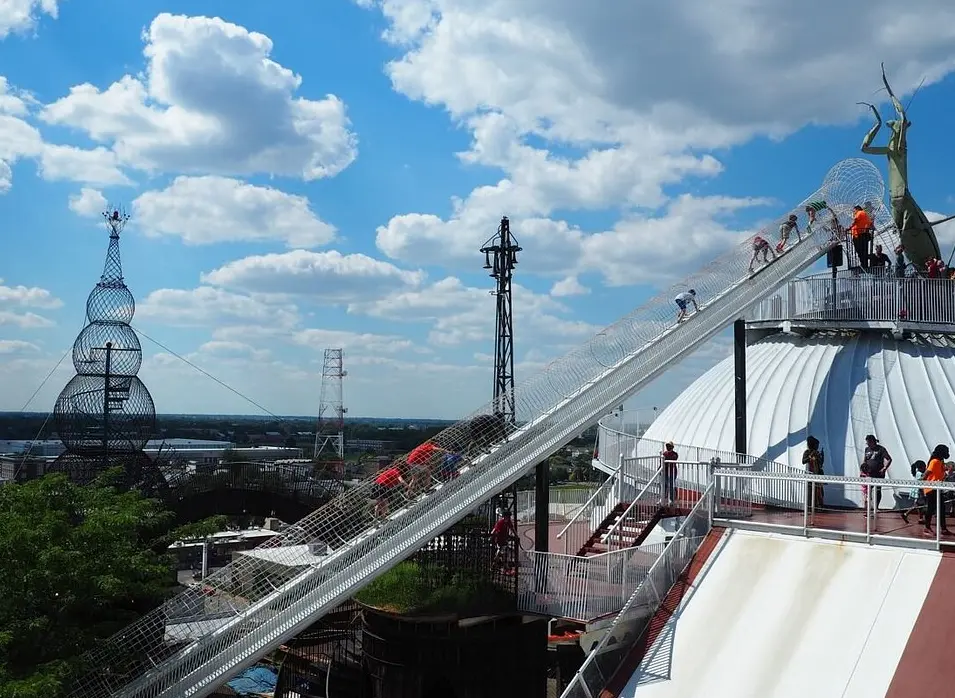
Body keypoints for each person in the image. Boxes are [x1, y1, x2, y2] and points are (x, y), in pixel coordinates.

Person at [922, 445, 952, 536]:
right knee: (931, 508)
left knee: (941, 508)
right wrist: (924, 484)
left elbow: (942, 476)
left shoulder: (941, 462)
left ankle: (943, 528)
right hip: (931, 489)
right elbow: (926, 475)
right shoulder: (934, 461)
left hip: (937, 488)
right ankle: (927, 528)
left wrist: (948, 472)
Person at [860, 434, 892, 512]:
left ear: (873, 441)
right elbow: (865, 460)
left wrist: (884, 468)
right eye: (867, 443)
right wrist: (862, 470)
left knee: (878, 490)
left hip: (878, 474)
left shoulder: (881, 449)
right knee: (868, 490)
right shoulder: (867, 449)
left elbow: (889, 459)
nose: (868, 444)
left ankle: (876, 507)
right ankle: (868, 507)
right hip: (869, 474)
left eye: (869, 442)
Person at [848, 205, 875, 271]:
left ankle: (863, 264)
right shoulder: (866, 214)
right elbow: (871, 224)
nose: (853, 212)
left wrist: (848, 228)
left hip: (858, 235)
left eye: (854, 211)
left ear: (857, 209)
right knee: (864, 251)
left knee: (859, 250)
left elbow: (855, 221)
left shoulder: (859, 213)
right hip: (864, 235)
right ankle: (864, 264)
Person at [900, 460, 927, 525]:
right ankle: (906, 514)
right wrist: (923, 494)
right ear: (921, 467)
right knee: (917, 505)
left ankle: (920, 518)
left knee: (919, 505)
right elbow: (920, 483)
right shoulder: (920, 474)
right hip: (919, 491)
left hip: (916, 490)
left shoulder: (916, 473)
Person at [801, 436, 825, 508]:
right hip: (810, 475)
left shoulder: (817, 453)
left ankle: (819, 506)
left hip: (818, 474)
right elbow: (803, 461)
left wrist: (822, 456)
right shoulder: (807, 452)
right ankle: (810, 506)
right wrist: (810, 457)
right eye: (817, 445)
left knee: (819, 492)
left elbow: (820, 463)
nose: (818, 447)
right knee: (810, 492)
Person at [661, 442, 679, 506]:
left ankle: (671, 499)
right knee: (664, 485)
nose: (668, 447)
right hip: (665, 472)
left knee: (671, 485)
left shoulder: (675, 454)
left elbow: (673, 459)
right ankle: (663, 498)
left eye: (669, 446)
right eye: (667, 446)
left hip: (672, 472)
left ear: (672, 447)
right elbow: (662, 462)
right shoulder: (664, 454)